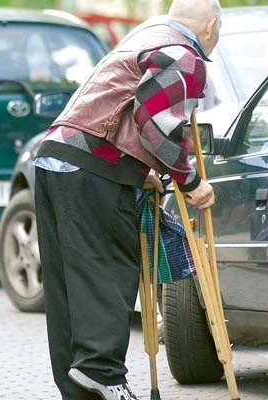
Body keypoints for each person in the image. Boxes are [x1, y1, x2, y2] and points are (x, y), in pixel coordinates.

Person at [33, 0, 221, 399]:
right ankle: (102, 372)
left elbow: (127, 113)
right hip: (93, 167)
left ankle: (79, 386)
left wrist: (145, 169)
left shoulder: (141, 40)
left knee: (70, 280)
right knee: (107, 267)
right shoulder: (185, 55)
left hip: (56, 158)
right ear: (211, 26)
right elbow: (154, 123)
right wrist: (189, 181)